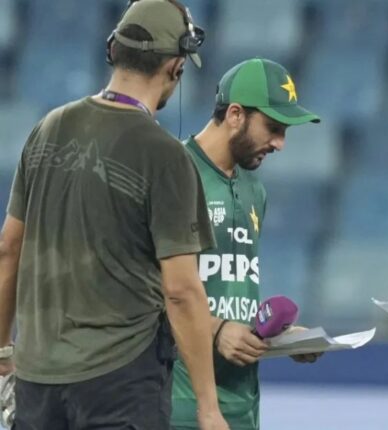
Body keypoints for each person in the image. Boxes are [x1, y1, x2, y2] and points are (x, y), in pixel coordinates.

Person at [0, 0, 230, 428]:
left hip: (37, 379)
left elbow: (9, 249)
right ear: (176, 67)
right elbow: (181, 291)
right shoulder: (164, 156)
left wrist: (2, 352)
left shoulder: (48, 127)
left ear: (113, 50)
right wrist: (208, 407)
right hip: (120, 382)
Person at [170, 58, 322, 430]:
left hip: (242, 406)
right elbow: (141, 292)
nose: (280, 143)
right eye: (273, 128)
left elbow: (228, 289)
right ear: (235, 114)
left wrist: (279, 338)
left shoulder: (254, 188)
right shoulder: (173, 173)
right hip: (180, 405)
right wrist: (217, 330)